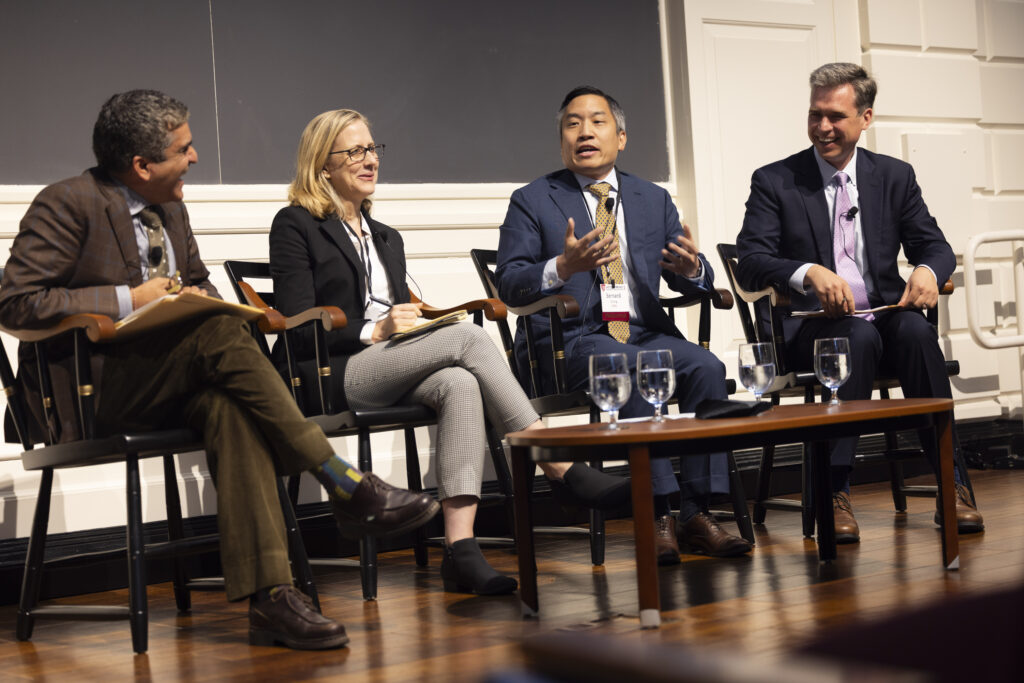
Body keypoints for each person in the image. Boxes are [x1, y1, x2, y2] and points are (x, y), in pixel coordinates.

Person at [0, 90, 443, 651]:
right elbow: (15, 304)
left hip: (176, 379)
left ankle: (272, 600)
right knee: (218, 332)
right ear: (141, 165)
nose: (195, 159)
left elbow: (198, 282)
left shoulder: (171, 209)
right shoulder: (67, 204)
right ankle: (341, 480)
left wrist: (211, 301)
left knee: (230, 400)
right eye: (184, 149)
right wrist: (127, 299)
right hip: (95, 392)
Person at [268, 108, 629, 595]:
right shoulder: (295, 225)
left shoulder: (386, 237)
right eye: (354, 151)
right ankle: (555, 462)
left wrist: (414, 323)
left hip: (391, 361)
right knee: (468, 338)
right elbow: (295, 324)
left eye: (373, 148)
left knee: (460, 381)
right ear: (322, 164)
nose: (370, 159)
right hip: (333, 372)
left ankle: (460, 550)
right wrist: (371, 329)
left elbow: (402, 313)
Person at [495, 86, 752, 563]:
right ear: (561, 141)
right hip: (571, 344)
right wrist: (562, 267)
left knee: (707, 368)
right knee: (627, 363)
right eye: (572, 123)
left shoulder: (651, 198)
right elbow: (509, 284)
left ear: (622, 136)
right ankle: (654, 512)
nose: (585, 132)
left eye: (597, 121)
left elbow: (698, 277)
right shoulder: (533, 199)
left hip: (645, 332)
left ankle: (697, 513)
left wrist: (692, 270)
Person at [735, 63, 983, 542]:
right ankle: (834, 490)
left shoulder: (893, 176)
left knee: (913, 330)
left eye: (835, 116)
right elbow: (750, 261)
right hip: (813, 329)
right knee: (857, 336)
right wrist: (807, 271)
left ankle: (953, 485)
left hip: (884, 319)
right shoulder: (776, 180)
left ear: (865, 118)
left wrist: (930, 272)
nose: (823, 127)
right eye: (814, 115)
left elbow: (933, 246)